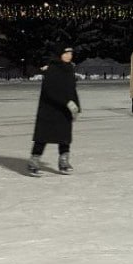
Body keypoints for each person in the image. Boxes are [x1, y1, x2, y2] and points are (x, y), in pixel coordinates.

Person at [28, 45, 81, 176]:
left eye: (70, 53)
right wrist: (67, 102)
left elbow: (72, 90)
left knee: (64, 137)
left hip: (64, 110)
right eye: (66, 53)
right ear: (59, 55)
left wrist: (77, 107)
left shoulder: (69, 69)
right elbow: (50, 91)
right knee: (43, 136)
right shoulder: (52, 69)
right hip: (49, 109)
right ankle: (33, 162)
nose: (69, 56)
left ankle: (63, 162)